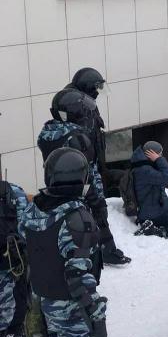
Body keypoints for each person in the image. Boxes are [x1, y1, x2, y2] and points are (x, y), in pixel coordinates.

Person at [19, 148, 106, 337]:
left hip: (47, 304)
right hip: (72, 310)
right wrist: (97, 318)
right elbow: (78, 277)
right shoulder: (76, 218)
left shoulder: (35, 211)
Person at [38, 88, 130, 265]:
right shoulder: (77, 137)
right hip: (83, 187)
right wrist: (95, 198)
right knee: (94, 218)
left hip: (56, 186)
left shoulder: (47, 134)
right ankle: (104, 253)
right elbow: (85, 169)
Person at [131, 141, 168, 238]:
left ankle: (161, 223)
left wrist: (157, 159)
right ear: (151, 154)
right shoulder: (145, 170)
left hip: (157, 206)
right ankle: (154, 230)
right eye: (160, 153)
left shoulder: (147, 164)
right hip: (151, 213)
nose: (161, 155)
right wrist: (159, 159)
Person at [0, 181, 29, 337]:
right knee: (18, 300)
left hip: (10, 263)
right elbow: (27, 227)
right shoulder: (14, 191)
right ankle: (17, 335)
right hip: (12, 263)